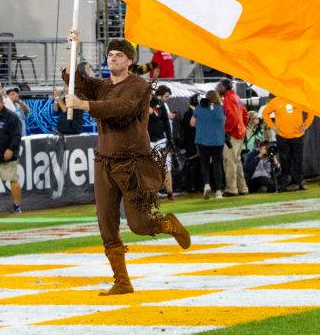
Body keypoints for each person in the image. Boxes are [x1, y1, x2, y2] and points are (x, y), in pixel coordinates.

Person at [62, 32, 191, 296]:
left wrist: (83, 104)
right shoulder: (102, 85)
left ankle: (166, 223)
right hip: (104, 163)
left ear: (129, 61)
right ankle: (122, 281)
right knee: (105, 223)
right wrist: (71, 48)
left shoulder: (139, 86)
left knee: (139, 225)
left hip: (133, 163)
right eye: (110, 55)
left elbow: (119, 108)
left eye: (119, 55)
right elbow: (73, 80)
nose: (113, 59)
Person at [260, 98, 314, 191]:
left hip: (297, 136)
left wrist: (306, 125)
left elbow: (311, 111)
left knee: (298, 160)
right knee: (285, 160)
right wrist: (272, 126)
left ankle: (299, 182)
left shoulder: (298, 99)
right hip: (282, 136)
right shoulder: (276, 101)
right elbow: (265, 113)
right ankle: (287, 182)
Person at [220, 79, 250, 196]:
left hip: (233, 134)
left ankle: (231, 188)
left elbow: (232, 117)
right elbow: (245, 114)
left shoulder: (228, 98)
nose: (219, 87)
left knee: (229, 161)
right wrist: (243, 127)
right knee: (237, 161)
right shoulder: (236, 97)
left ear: (225, 87)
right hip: (240, 133)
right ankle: (243, 187)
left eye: (220, 85)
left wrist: (226, 131)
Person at [193, 90, 226, 198]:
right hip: (218, 141)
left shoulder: (198, 108)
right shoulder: (221, 109)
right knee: (217, 166)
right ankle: (218, 191)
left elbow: (192, 123)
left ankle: (206, 185)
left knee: (204, 165)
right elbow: (224, 123)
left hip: (202, 141)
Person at [148, 85, 174, 200]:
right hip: (148, 140)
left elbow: (166, 124)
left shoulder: (162, 106)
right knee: (151, 168)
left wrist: (170, 139)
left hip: (161, 139)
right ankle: (153, 192)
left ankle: (170, 192)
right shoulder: (142, 106)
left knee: (166, 166)